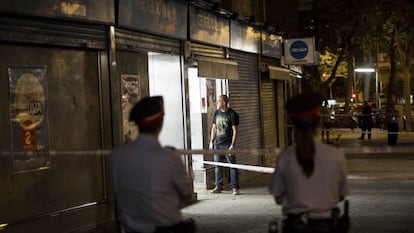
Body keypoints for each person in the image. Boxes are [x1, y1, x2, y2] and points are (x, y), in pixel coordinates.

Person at [109, 96, 195, 233]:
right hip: (166, 229)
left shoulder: (117, 155)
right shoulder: (168, 157)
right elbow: (186, 192)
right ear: (160, 122)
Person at [269, 92, 349, 233]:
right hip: (328, 227)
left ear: (293, 124)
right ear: (319, 122)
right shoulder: (336, 155)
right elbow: (341, 195)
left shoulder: (285, 157)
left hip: (296, 226)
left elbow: (278, 198)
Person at [209, 94, 240, 195]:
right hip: (217, 144)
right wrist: (211, 142)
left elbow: (235, 130)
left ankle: (235, 187)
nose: (217, 102)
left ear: (224, 102)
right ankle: (218, 186)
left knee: (232, 166)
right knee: (218, 166)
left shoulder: (232, 114)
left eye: (218, 101)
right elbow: (214, 128)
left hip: (228, 145)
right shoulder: (216, 113)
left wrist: (233, 145)